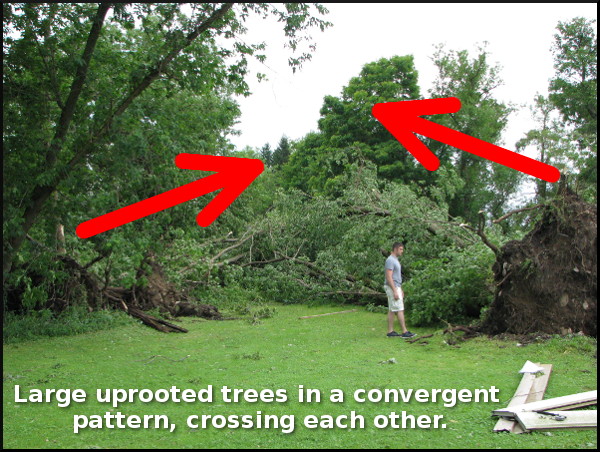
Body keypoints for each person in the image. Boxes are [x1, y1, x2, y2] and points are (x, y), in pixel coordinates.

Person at [384, 242, 416, 338]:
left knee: (392, 310)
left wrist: (400, 288)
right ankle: (404, 332)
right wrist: (394, 290)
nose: (402, 251)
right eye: (401, 249)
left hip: (396, 286)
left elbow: (396, 276)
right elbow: (389, 276)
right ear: (396, 249)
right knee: (400, 309)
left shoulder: (395, 260)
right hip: (392, 287)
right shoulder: (390, 260)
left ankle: (390, 332)